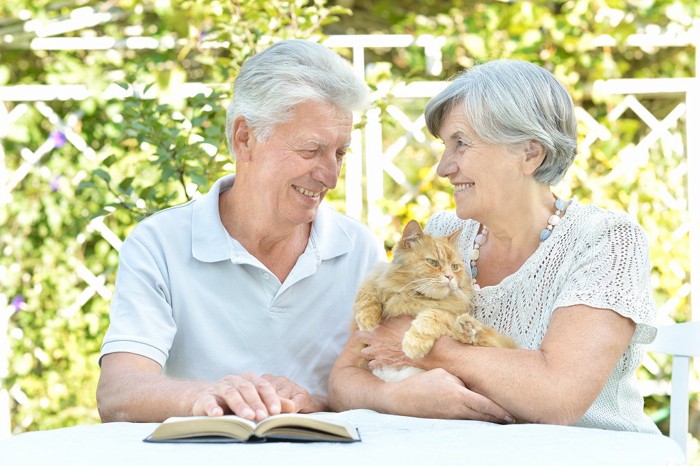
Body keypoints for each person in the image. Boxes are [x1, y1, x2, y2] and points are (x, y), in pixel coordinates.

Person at [328, 59, 660, 434]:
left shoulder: (605, 240)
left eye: (461, 144)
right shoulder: (445, 237)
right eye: (445, 146)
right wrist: (394, 397)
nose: (443, 167)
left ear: (530, 154)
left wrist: (431, 350)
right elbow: (345, 378)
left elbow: (558, 396)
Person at [96, 39, 385, 423]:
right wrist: (214, 396)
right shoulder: (160, 244)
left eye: (339, 153)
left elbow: (385, 384)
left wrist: (316, 403)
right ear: (244, 138)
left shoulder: (360, 251)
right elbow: (118, 392)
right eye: (311, 150)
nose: (330, 176)